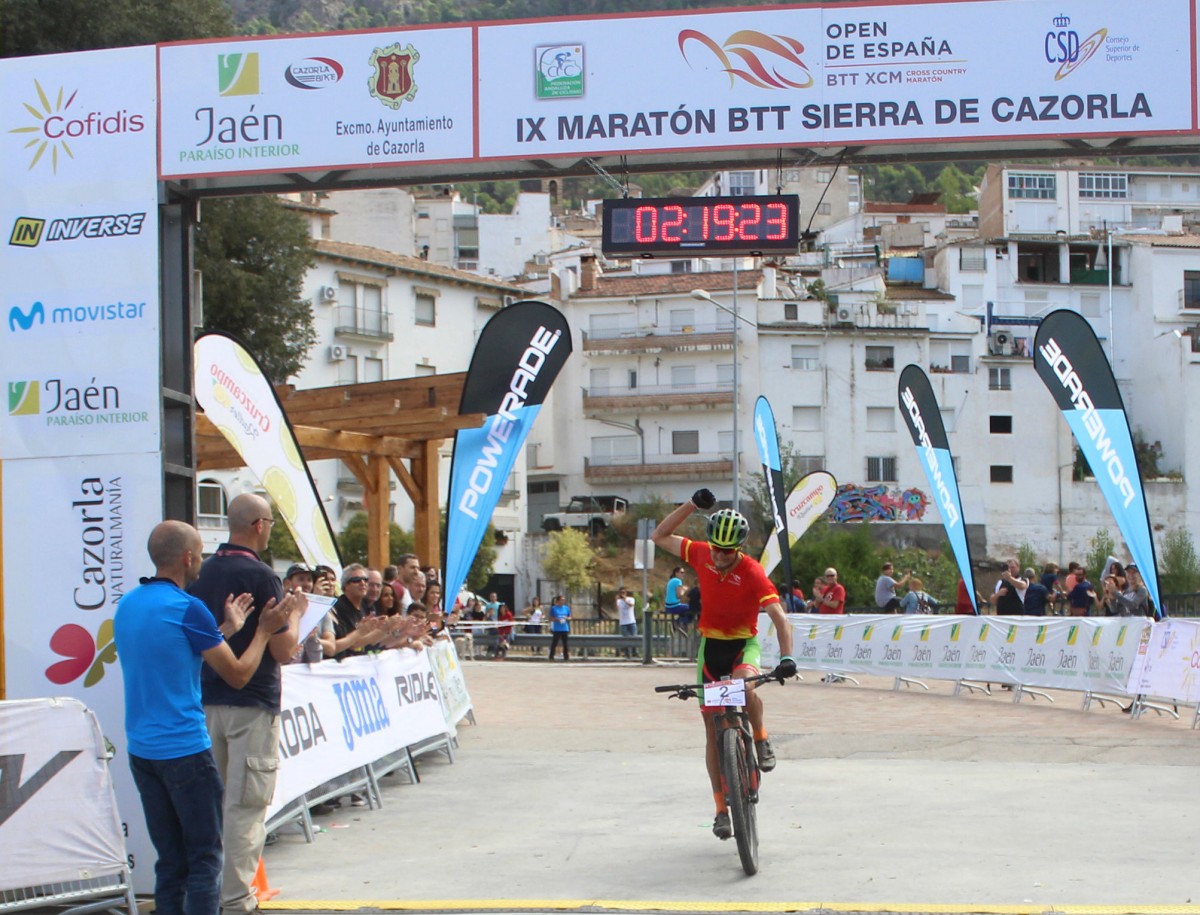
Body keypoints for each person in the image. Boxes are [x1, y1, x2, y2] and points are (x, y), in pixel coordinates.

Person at [115, 521, 294, 915]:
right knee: (204, 860)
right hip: (185, 750)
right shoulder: (187, 608)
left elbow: (176, 650)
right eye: (200, 552)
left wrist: (227, 629)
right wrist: (262, 632)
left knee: (171, 860)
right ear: (188, 557)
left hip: (143, 751)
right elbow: (238, 675)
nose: (202, 560)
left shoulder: (129, 604)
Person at [650, 488, 796, 842]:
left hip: (742, 646)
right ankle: (720, 810)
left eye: (726, 551)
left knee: (746, 688)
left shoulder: (752, 571)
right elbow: (659, 536)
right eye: (715, 547)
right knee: (713, 734)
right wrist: (692, 505)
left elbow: (779, 617)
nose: (718, 555)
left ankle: (760, 738)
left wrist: (788, 656)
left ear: (739, 549)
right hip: (711, 647)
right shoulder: (701, 553)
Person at [187, 493, 302, 915]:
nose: (270, 529)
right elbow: (284, 650)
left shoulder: (202, 572)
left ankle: (207, 892)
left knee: (212, 805)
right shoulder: (262, 576)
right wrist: (300, 614)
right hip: (252, 701)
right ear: (258, 525)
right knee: (245, 806)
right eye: (270, 521)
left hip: (204, 698)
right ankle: (235, 899)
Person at [664, 566, 689, 631]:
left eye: (684, 572)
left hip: (668, 607)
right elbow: (679, 595)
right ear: (676, 573)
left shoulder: (671, 580)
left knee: (685, 609)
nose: (683, 574)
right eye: (681, 572)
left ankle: (679, 626)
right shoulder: (678, 581)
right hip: (674, 606)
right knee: (692, 608)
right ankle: (679, 623)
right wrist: (684, 590)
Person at [548, 594, 571, 661]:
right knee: (554, 643)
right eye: (561, 600)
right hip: (557, 628)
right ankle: (551, 656)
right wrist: (557, 619)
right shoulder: (554, 608)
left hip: (565, 628)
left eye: (564, 600)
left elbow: (570, 617)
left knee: (565, 643)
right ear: (558, 601)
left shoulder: (566, 608)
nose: (563, 601)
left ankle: (566, 657)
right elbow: (550, 618)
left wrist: (566, 618)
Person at [616, 587, 638, 658]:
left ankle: (634, 653)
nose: (622, 594)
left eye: (623, 592)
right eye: (621, 593)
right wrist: (617, 599)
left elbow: (631, 605)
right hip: (623, 623)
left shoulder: (631, 599)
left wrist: (625, 599)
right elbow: (617, 607)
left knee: (634, 638)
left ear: (626, 593)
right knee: (625, 639)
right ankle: (627, 653)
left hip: (631, 621)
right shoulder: (619, 601)